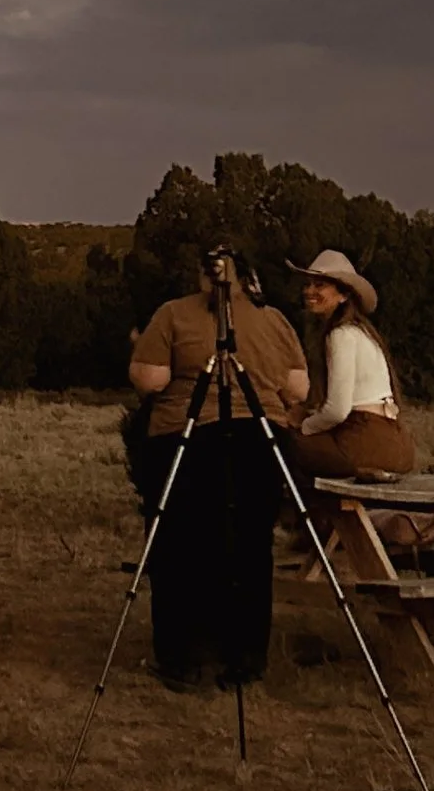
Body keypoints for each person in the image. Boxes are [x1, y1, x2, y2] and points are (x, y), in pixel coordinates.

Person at [126, 254, 308, 691]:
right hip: (260, 440)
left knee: (181, 548)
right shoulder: (274, 320)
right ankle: (245, 657)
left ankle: (186, 656)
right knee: (248, 546)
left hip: (187, 438)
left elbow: (150, 379)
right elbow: (298, 388)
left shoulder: (173, 314)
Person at [289, 250, 417, 484]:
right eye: (308, 284)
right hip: (398, 443)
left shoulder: (341, 334)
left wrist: (303, 426)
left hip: (365, 442)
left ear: (343, 295)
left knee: (282, 444)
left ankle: (313, 517)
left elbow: (338, 410)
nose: (309, 291)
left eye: (319, 285)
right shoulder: (363, 332)